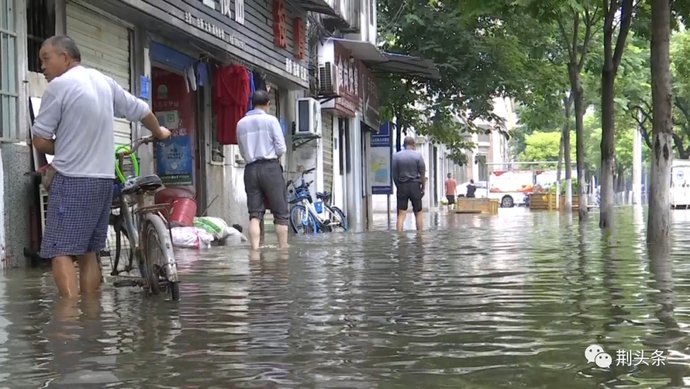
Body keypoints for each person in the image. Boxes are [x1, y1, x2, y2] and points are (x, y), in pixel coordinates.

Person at [32, 35, 171, 298]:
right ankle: (91, 318)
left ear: (65, 57)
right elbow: (142, 111)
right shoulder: (104, 81)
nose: (42, 66)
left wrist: (64, 147)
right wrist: (160, 132)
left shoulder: (59, 87)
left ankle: (68, 320)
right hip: (104, 182)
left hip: (73, 179)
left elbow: (39, 141)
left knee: (60, 252)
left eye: (46, 58)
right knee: (88, 252)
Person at [236, 90, 289, 250]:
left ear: (252, 104)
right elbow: (281, 148)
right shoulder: (271, 120)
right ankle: (283, 251)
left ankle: (255, 251)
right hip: (270, 168)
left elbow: (242, 150)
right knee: (280, 214)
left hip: (250, 169)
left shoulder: (241, 123)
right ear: (268, 104)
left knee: (255, 214)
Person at [392, 136, 426, 231]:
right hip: (415, 186)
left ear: (404, 144)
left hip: (402, 186)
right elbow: (422, 173)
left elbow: (394, 174)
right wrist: (423, 188)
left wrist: (398, 186)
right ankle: (420, 236)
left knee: (401, 213)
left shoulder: (396, 156)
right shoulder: (418, 156)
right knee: (418, 212)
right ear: (413, 144)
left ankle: (399, 237)